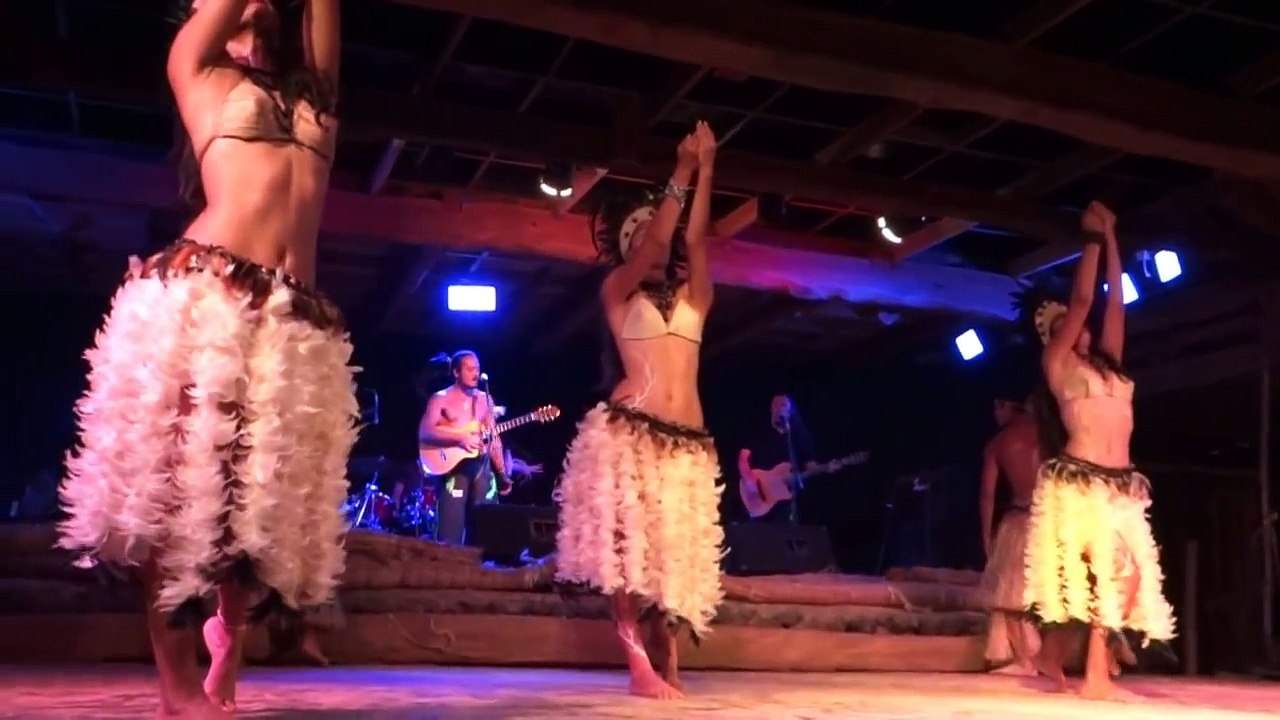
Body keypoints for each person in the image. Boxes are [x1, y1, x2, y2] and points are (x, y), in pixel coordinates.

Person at [55, 2, 353, 716]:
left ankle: (229, 642)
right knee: (185, 501)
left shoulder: (313, 94)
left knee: (258, 507)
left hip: (294, 317)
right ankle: (176, 686)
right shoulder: (197, 68)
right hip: (208, 294)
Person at [554, 121, 720, 700]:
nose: (656, 237)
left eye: (660, 228)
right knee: (624, 557)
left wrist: (707, 167)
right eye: (642, 231)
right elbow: (657, 243)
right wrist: (678, 172)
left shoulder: (697, 298)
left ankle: (667, 654)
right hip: (630, 433)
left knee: (674, 554)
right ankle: (638, 669)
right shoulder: (615, 294)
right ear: (625, 245)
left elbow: (694, 242)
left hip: (688, 442)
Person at [1021, 201, 1176, 700]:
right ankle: (1094, 672)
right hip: (1080, 482)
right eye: (1064, 324)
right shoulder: (1059, 364)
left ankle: (1053, 655)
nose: (1078, 326)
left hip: (1121, 483)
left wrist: (1112, 237)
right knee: (1103, 579)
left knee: (1127, 578)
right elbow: (1087, 299)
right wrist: (1088, 239)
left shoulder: (1109, 365)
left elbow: (1115, 305)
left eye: (1075, 325)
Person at [417, 350, 513, 545]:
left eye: (477, 369)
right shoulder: (440, 398)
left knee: (486, 528)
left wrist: (502, 473)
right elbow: (425, 432)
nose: (475, 374)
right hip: (454, 469)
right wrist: (459, 438)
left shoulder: (486, 399)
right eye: (470, 369)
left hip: (481, 468)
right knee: (450, 533)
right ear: (456, 373)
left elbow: (494, 437)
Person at [978, 394, 1041, 676]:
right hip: (1053, 517)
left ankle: (1024, 659)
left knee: (1009, 592)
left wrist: (986, 536)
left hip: (1019, 519)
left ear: (1004, 404)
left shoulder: (999, 443)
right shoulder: (1048, 434)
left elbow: (987, 495)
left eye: (995, 408)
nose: (995, 415)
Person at [737, 394, 819, 523]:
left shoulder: (799, 438)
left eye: (783, 405)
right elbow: (743, 457)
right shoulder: (759, 431)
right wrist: (749, 480)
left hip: (785, 502)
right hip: (756, 497)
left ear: (790, 411)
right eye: (776, 405)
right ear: (771, 409)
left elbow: (810, 465)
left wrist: (827, 467)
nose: (779, 408)